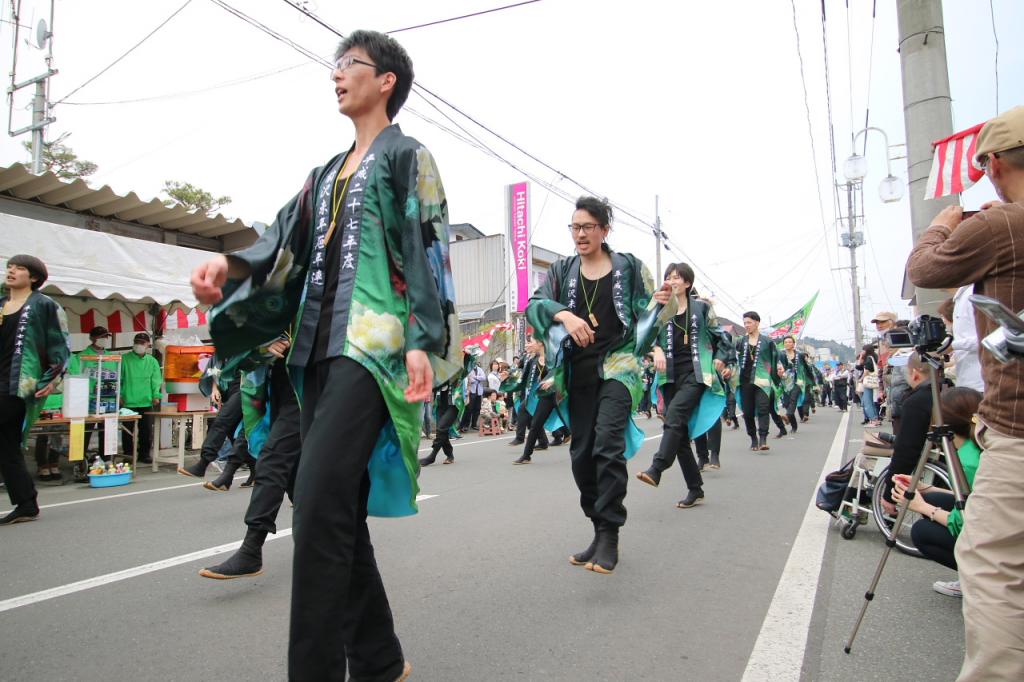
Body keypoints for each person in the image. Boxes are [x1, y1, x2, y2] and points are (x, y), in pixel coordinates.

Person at [191, 30, 459, 682]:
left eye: (350, 66)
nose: (337, 75)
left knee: (316, 502)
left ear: (385, 80)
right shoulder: (322, 175)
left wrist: (424, 339)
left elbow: (429, 250)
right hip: (312, 353)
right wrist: (227, 266)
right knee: (321, 507)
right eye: (335, 66)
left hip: (372, 349)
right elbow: (276, 245)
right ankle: (378, 658)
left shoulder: (406, 156)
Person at [905, 104, 1024, 681]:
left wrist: (945, 221)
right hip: (994, 409)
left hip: (1015, 421)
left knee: (990, 559)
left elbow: (924, 268)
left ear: (994, 164)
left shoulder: (1002, 223)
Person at [527, 195, 665, 574]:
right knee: (581, 456)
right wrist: (564, 314)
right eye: (575, 227)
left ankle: (610, 534)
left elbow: (647, 313)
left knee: (607, 444)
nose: (581, 233)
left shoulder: (629, 267)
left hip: (619, 367)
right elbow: (534, 305)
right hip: (577, 374)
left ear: (605, 230)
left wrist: (659, 314)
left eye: (588, 226)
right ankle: (597, 527)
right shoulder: (561, 270)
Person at [200, 338, 301, 579]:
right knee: (294, 472)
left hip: (311, 386)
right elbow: (240, 351)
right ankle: (325, 539)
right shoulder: (265, 305)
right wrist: (262, 347)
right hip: (275, 388)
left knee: (273, 460)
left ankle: (251, 549)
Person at [636, 263, 734, 508]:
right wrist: (656, 349)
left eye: (677, 277)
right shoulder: (659, 308)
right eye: (669, 276)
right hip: (668, 375)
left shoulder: (701, 308)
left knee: (675, 418)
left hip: (696, 372)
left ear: (687, 283)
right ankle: (696, 489)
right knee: (678, 434)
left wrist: (721, 357)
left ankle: (657, 468)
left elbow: (721, 336)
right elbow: (641, 337)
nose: (672, 280)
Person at [891, 387, 983, 598]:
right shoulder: (977, 445)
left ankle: (978, 580)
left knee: (921, 532)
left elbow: (967, 521)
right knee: (933, 497)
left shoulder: (966, 462)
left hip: (989, 538)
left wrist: (922, 507)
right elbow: (975, 499)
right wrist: (927, 489)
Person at [1, 255, 70, 526]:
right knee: (6, 446)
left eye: (19, 268)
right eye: (10, 267)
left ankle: (26, 502)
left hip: (20, 384)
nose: (12, 271)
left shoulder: (44, 305)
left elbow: (61, 346)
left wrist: (51, 380)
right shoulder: (2, 304)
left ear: (33, 277)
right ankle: (26, 503)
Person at [178, 352, 243, 479]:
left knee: (221, 422)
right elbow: (214, 370)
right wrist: (214, 389)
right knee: (233, 431)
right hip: (227, 389)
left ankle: (203, 463)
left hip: (244, 387)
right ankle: (254, 467)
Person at [734, 312, 784, 451]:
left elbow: (776, 359)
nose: (746, 325)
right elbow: (733, 358)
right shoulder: (741, 342)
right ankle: (753, 438)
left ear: (757, 323)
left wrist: (779, 369)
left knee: (763, 409)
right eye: (745, 323)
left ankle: (763, 439)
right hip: (745, 381)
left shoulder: (768, 342)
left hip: (763, 381)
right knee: (748, 412)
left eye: (749, 322)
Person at [119, 333, 161, 464]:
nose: (139, 345)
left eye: (142, 343)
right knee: (127, 431)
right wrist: (119, 394)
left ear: (148, 345)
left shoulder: (152, 361)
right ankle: (128, 455)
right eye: (137, 342)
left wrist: (156, 395)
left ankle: (144, 454)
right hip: (128, 401)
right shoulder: (124, 359)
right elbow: (118, 378)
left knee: (146, 430)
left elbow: (156, 380)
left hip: (146, 400)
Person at [779, 335, 813, 434]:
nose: (788, 344)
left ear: (793, 344)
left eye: (790, 342)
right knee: (786, 403)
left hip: (799, 381)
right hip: (785, 382)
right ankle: (793, 425)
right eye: (786, 342)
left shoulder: (800, 355)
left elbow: (807, 369)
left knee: (793, 398)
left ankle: (787, 415)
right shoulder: (780, 354)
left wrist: (813, 382)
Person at [855, 343, 882, 427]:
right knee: (870, 401)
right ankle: (876, 419)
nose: (862, 351)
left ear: (866, 350)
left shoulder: (869, 359)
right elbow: (858, 366)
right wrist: (860, 357)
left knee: (867, 401)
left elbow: (866, 371)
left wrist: (861, 379)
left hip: (868, 382)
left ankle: (873, 420)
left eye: (863, 350)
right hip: (872, 382)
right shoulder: (873, 357)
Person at [459, 363, 485, 431]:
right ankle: (466, 425)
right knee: (469, 409)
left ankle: (474, 424)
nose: (475, 363)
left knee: (477, 408)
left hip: (478, 392)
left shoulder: (480, 369)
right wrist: (478, 378)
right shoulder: (469, 369)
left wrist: (475, 377)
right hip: (471, 392)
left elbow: (484, 377)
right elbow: (470, 380)